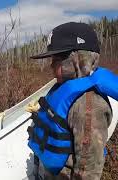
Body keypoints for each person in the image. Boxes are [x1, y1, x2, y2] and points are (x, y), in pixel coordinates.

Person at [26, 22, 118, 180]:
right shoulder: (62, 87)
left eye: (56, 60)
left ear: (77, 60)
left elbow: (88, 170)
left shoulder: (88, 104)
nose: (51, 66)